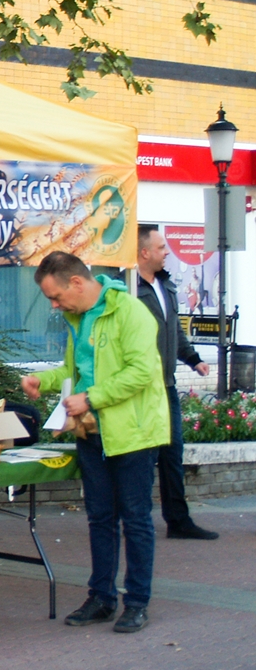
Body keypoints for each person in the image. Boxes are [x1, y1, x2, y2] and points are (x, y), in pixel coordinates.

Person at [21, 251, 168, 633]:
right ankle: (102, 597)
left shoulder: (130, 312)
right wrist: (44, 381)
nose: (54, 306)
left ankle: (137, 602)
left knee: (135, 520)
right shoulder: (79, 318)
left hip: (133, 434)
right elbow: (74, 371)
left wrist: (91, 398)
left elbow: (142, 372)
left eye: (55, 297)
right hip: (92, 433)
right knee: (100, 518)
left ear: (76, 282)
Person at [136, 225, 218, 540]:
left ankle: (178, 521)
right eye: (161, 248)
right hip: (141, 388)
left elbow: (175, 331)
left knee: (173, 453)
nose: (166, 252)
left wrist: (193, 359)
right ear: (144, 252)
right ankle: (135, 518)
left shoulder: (167, 286)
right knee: (143, 456)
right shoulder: (128, 290)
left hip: (167, 386)